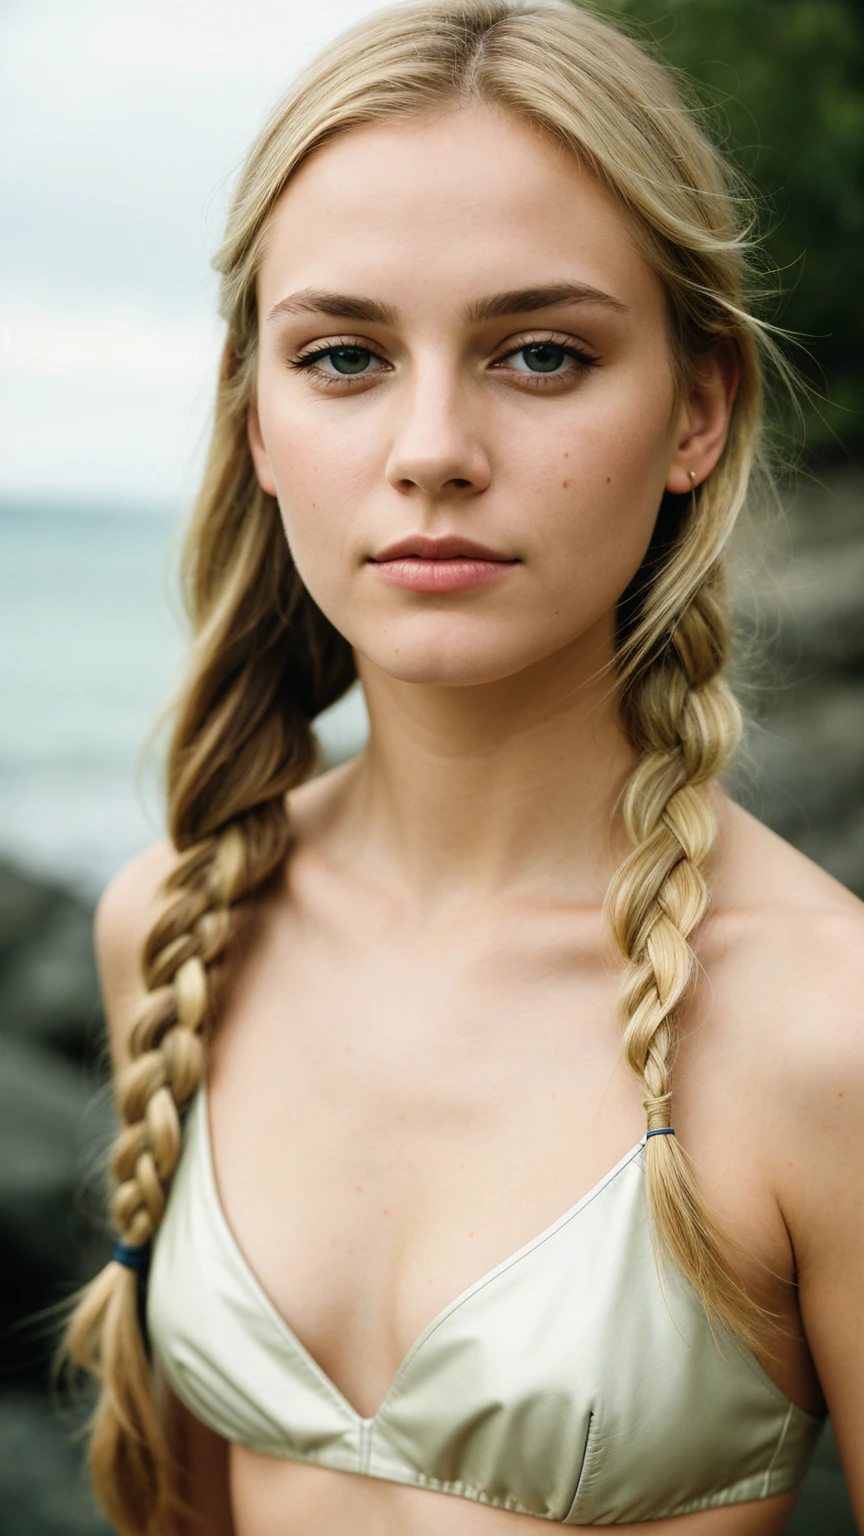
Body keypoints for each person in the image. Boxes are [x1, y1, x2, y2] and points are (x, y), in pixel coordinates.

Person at [64, 1, 864, 1532]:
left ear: (696, 410)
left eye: (543, 354)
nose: (433, 446)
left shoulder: (824, 1029)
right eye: (346, 355)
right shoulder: (172, 929)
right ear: (258, 423)